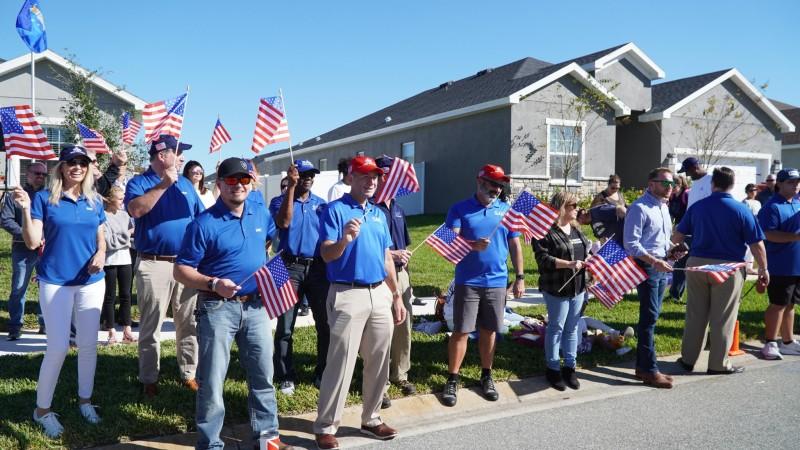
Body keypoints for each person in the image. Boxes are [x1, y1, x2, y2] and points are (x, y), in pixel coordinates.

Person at [174, 157, 293, 450]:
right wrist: (214, 283)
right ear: (219, 185)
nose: (238, 186)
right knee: (213, 382)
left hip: (255, 307)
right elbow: (181, 270)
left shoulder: (259, 213)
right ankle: (210, 443)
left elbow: (268, 242)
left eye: (243, 180)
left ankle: (268, 438)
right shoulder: (203, 223)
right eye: (231, 181)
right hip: (217, 308)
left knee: (263, 375)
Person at [13, 145, 106, 438]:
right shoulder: (43, 198)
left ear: (88, 167)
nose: (77, 167)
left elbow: (100, 238)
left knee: (89, 345)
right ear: (62, 167)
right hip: (56, 281)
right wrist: (26, 209)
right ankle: (41, 410)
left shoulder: (95, 200)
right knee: (58, 348)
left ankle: (85, 401)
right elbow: (31, 242)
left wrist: (101, 254)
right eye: (71, 162)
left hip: (92, 281)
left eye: (82, 162)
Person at [313, 155, 406, 450]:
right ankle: (326, 425)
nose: (371, 182)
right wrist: (344, 240)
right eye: (365, 176)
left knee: (379, 359)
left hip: (379, 292)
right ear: (350, 178)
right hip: (346, 293)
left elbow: (385, 256)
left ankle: (371, 418)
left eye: (375, 177)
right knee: (340, 362)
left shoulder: (379, 214)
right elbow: (327, 254)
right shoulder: (334, 210)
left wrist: (395, 295)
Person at [125, 134, 204, 397]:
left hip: (186, 263)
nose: (181, 159)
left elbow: (201, 218)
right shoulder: (139, 182)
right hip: (153, 263)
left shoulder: (186, 184)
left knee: (188, 322)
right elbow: (135, 210)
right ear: (162, 155)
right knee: (152, 324)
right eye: (177, 153)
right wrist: (162, 186)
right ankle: (149, 377)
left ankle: (189, 373)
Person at [440, 164, 525, 407]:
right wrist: (470, 244)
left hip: (497, 282)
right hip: (468, 281)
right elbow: (448, 241)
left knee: (489, 330)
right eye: (493, 183)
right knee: (462, 331)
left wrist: (519, 277)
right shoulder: (460, 209)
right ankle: (453, 378)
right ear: (480, 181)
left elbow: (515, 245)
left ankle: (486, 375)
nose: (497, 188)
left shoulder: (506, 211)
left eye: (500, 185)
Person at [672, 167, 768, 375]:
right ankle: (718, 363)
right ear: (732, 185)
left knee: (695, 314)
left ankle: (688, 360)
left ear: (712, 184)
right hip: (728, 268)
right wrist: (763, 269)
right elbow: (757, 244)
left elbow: (677, 236)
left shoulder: (698, 207)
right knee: (723, 317)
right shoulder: (742, 210)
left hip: (697, 264)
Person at [269, 160, 330, 396]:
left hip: (317, 268)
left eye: (311, 174)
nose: (308, 178)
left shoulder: (322, 205)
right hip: (287, 266)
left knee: (324, 324)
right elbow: (283, 222)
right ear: (293, 175)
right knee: (285, 326)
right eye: (303, 174)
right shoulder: (279, 201)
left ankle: (322, 372)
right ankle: (285, 374)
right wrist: (291, 190)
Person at [623, 167, 681, 389]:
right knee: (649, 319)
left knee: (652, 316)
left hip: (661, 266)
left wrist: (674, 249)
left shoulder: (663, 207)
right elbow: (631, 244)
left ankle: (642, 367)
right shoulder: (639, 207)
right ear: (651, 184)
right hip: (646, 268)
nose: (670, 188)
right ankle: (649, 370)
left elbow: (661, 240)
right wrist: (654, 261)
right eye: (665, 183)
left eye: (672, 184)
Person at [534, 191, 590, 391]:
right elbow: (543, 259)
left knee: (572, 328)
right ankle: (553, 368)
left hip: (578, 288)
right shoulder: (545, 231)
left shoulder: (576, 230)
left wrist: (590, 261)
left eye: (577, 204)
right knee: (556, 327)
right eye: (573, 205)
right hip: (556, 287)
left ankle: (570, 367)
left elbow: (585, 252)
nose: (578, 208)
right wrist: (569, 264)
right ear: (561, 207)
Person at [375, 155, 416, 405]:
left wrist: (404, 260)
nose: (388, 179)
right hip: (379, 275)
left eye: (391, 174)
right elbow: (368, 247)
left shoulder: (398, 208)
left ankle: (400, 374)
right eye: (385, 174)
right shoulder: (369, 207)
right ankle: (381, 384)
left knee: (404, 325)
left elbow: (405, 242)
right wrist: (391, 254)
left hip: (401, 274)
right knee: (382, 329)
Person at [757, 168, 800, 360]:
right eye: (791, 182)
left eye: (797, 182)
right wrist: (794, 237)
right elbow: (767, 233)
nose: (796, 185)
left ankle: (788, 342)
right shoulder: (772, 206)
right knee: (777, 304)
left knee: (790, 304)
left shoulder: (797, 203)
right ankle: (770, 343)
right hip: (779, 265)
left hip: (796, 265)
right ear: (779, 184)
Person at [2, 162, 47, 340]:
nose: (41, 177)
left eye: (44, 174)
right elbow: (6, 220)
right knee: (19, 288)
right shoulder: (16, 196)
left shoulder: (48, 196)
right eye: (37, 173)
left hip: (46, 250)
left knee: (46, 288)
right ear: (27, 174)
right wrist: (29, 235)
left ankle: (45, 323)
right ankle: (14, 327)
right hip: (23, 250)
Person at [102, 186, 136, 344]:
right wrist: (126, 235)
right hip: (109, 261)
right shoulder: (103, 216)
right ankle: (111, 331)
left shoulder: (124, 215)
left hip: (125, 259)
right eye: (121, 199)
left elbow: (128, 239)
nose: (123, 202)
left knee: (126, 295)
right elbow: (108, 242)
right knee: (109, 296)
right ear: (110, 200)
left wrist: (123, 237)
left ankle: (127, 329)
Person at [742, 183, 762, 275]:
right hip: (748, 227)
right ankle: (744, 266)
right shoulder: (745, 202)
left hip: (757, 226)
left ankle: (749, 267)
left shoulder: (758, 202)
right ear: (747, 192)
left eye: (755, 190)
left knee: (753, 247)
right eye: (751, 190)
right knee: (746, 247)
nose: (753, 192)